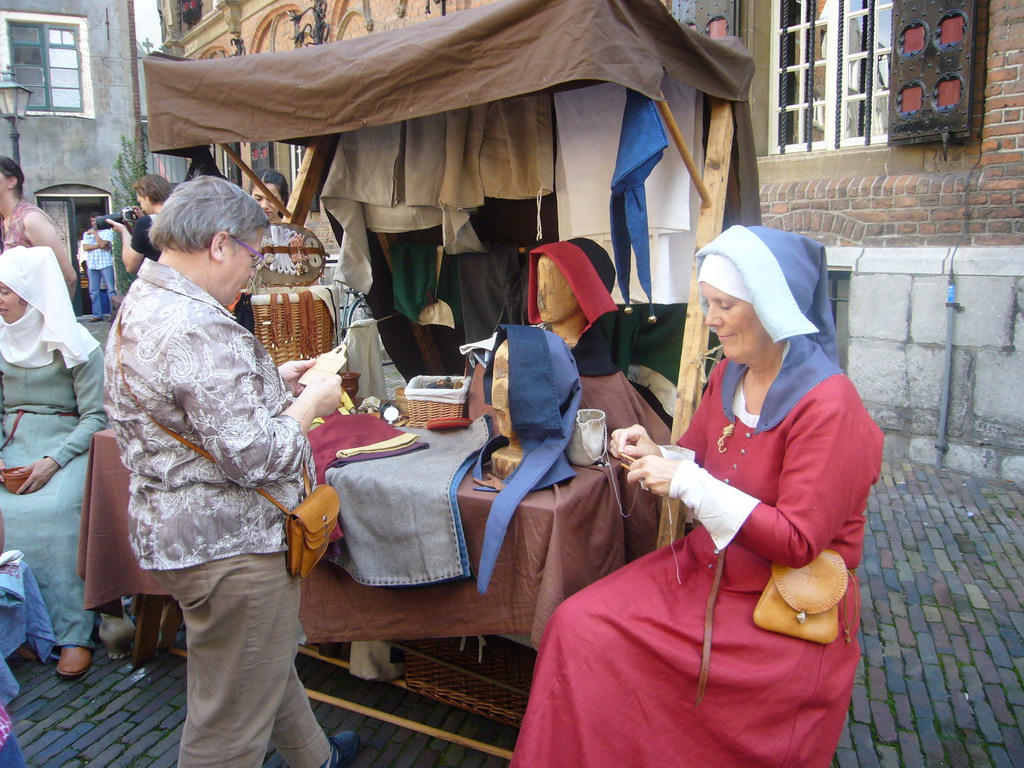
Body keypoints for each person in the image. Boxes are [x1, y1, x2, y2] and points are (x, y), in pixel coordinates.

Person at [511, 225, 884, 768]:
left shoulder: (829, 407)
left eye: (725, 305)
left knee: (616, 651)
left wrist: (685, 481)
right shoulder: (730, 375)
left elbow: (799, 541)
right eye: (708, 303)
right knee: (576, 624)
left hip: (780, 606)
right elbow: (696, 457)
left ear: (774, 306)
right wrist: (656, 451)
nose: (709, 318)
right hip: (710, 568)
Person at [104, 176, 360, 768]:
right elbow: (257, 456)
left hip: (184, 535)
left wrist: (275, 380)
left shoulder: (146, 299)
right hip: (229, 546)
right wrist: (309, 407)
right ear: (220, 244)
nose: (255, 270)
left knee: (255, 665)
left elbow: (195, 410)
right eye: (254, 254)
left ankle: (315, 760)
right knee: (227, 727)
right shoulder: (198, 323)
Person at [0, 246, 107, 680]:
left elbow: (96, 416)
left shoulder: (77, 345)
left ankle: (72, 634)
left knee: (56, 514)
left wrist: (51, 462)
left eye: (5, 290)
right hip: (11, 444)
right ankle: (15, 631)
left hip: (68, 445)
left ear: (31, 295)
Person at [0, 157, 77, 295]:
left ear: (11, 181)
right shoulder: (4, 220)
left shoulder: (30, 219)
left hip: (34, 312)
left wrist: (53, 315)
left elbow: (68, 278)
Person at [107, 174, 172, 274]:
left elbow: (131, 267)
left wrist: (123, 231)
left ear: (147, 197)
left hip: (160, 281)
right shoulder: (181, 218)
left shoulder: (145, 223)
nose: (142, 208)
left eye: (140, 202)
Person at [80, 214, 116, 322]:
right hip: (92, 265)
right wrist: (100, 246)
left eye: (96, 220)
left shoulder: (108, 232)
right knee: (93, 291)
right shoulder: (86, 233)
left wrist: (95, 235)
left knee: (111, 290)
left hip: (105, 264)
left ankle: (113, 314)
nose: (94, 223)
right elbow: (86, 247)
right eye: (92, 221)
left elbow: (103, 244)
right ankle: (97, 315)